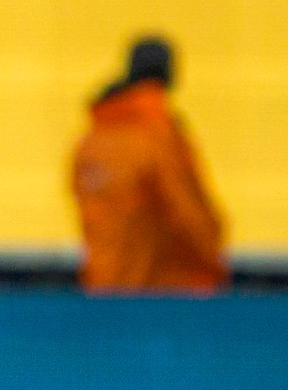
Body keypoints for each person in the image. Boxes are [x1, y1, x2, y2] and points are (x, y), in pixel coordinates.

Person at [70, 36, 228, 294]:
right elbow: (187, 209)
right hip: (161, 289)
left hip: (103, 288)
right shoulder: (159, 135)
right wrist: (212, 263)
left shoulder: (92, 138)